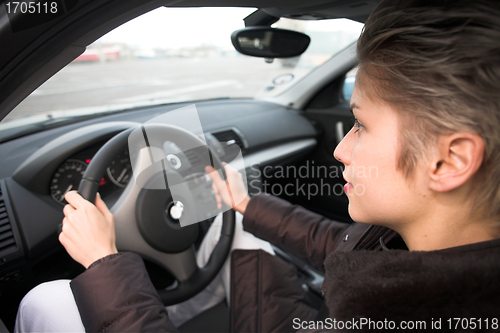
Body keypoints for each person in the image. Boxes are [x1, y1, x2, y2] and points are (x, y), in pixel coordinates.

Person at [15, 0, 500, 331]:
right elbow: (342, 244)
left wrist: (105, 261)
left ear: (450, 159)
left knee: (47, 301)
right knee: (235, 230)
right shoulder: (425, 253)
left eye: (361, 125)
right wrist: (243, 201)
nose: (340, 150)